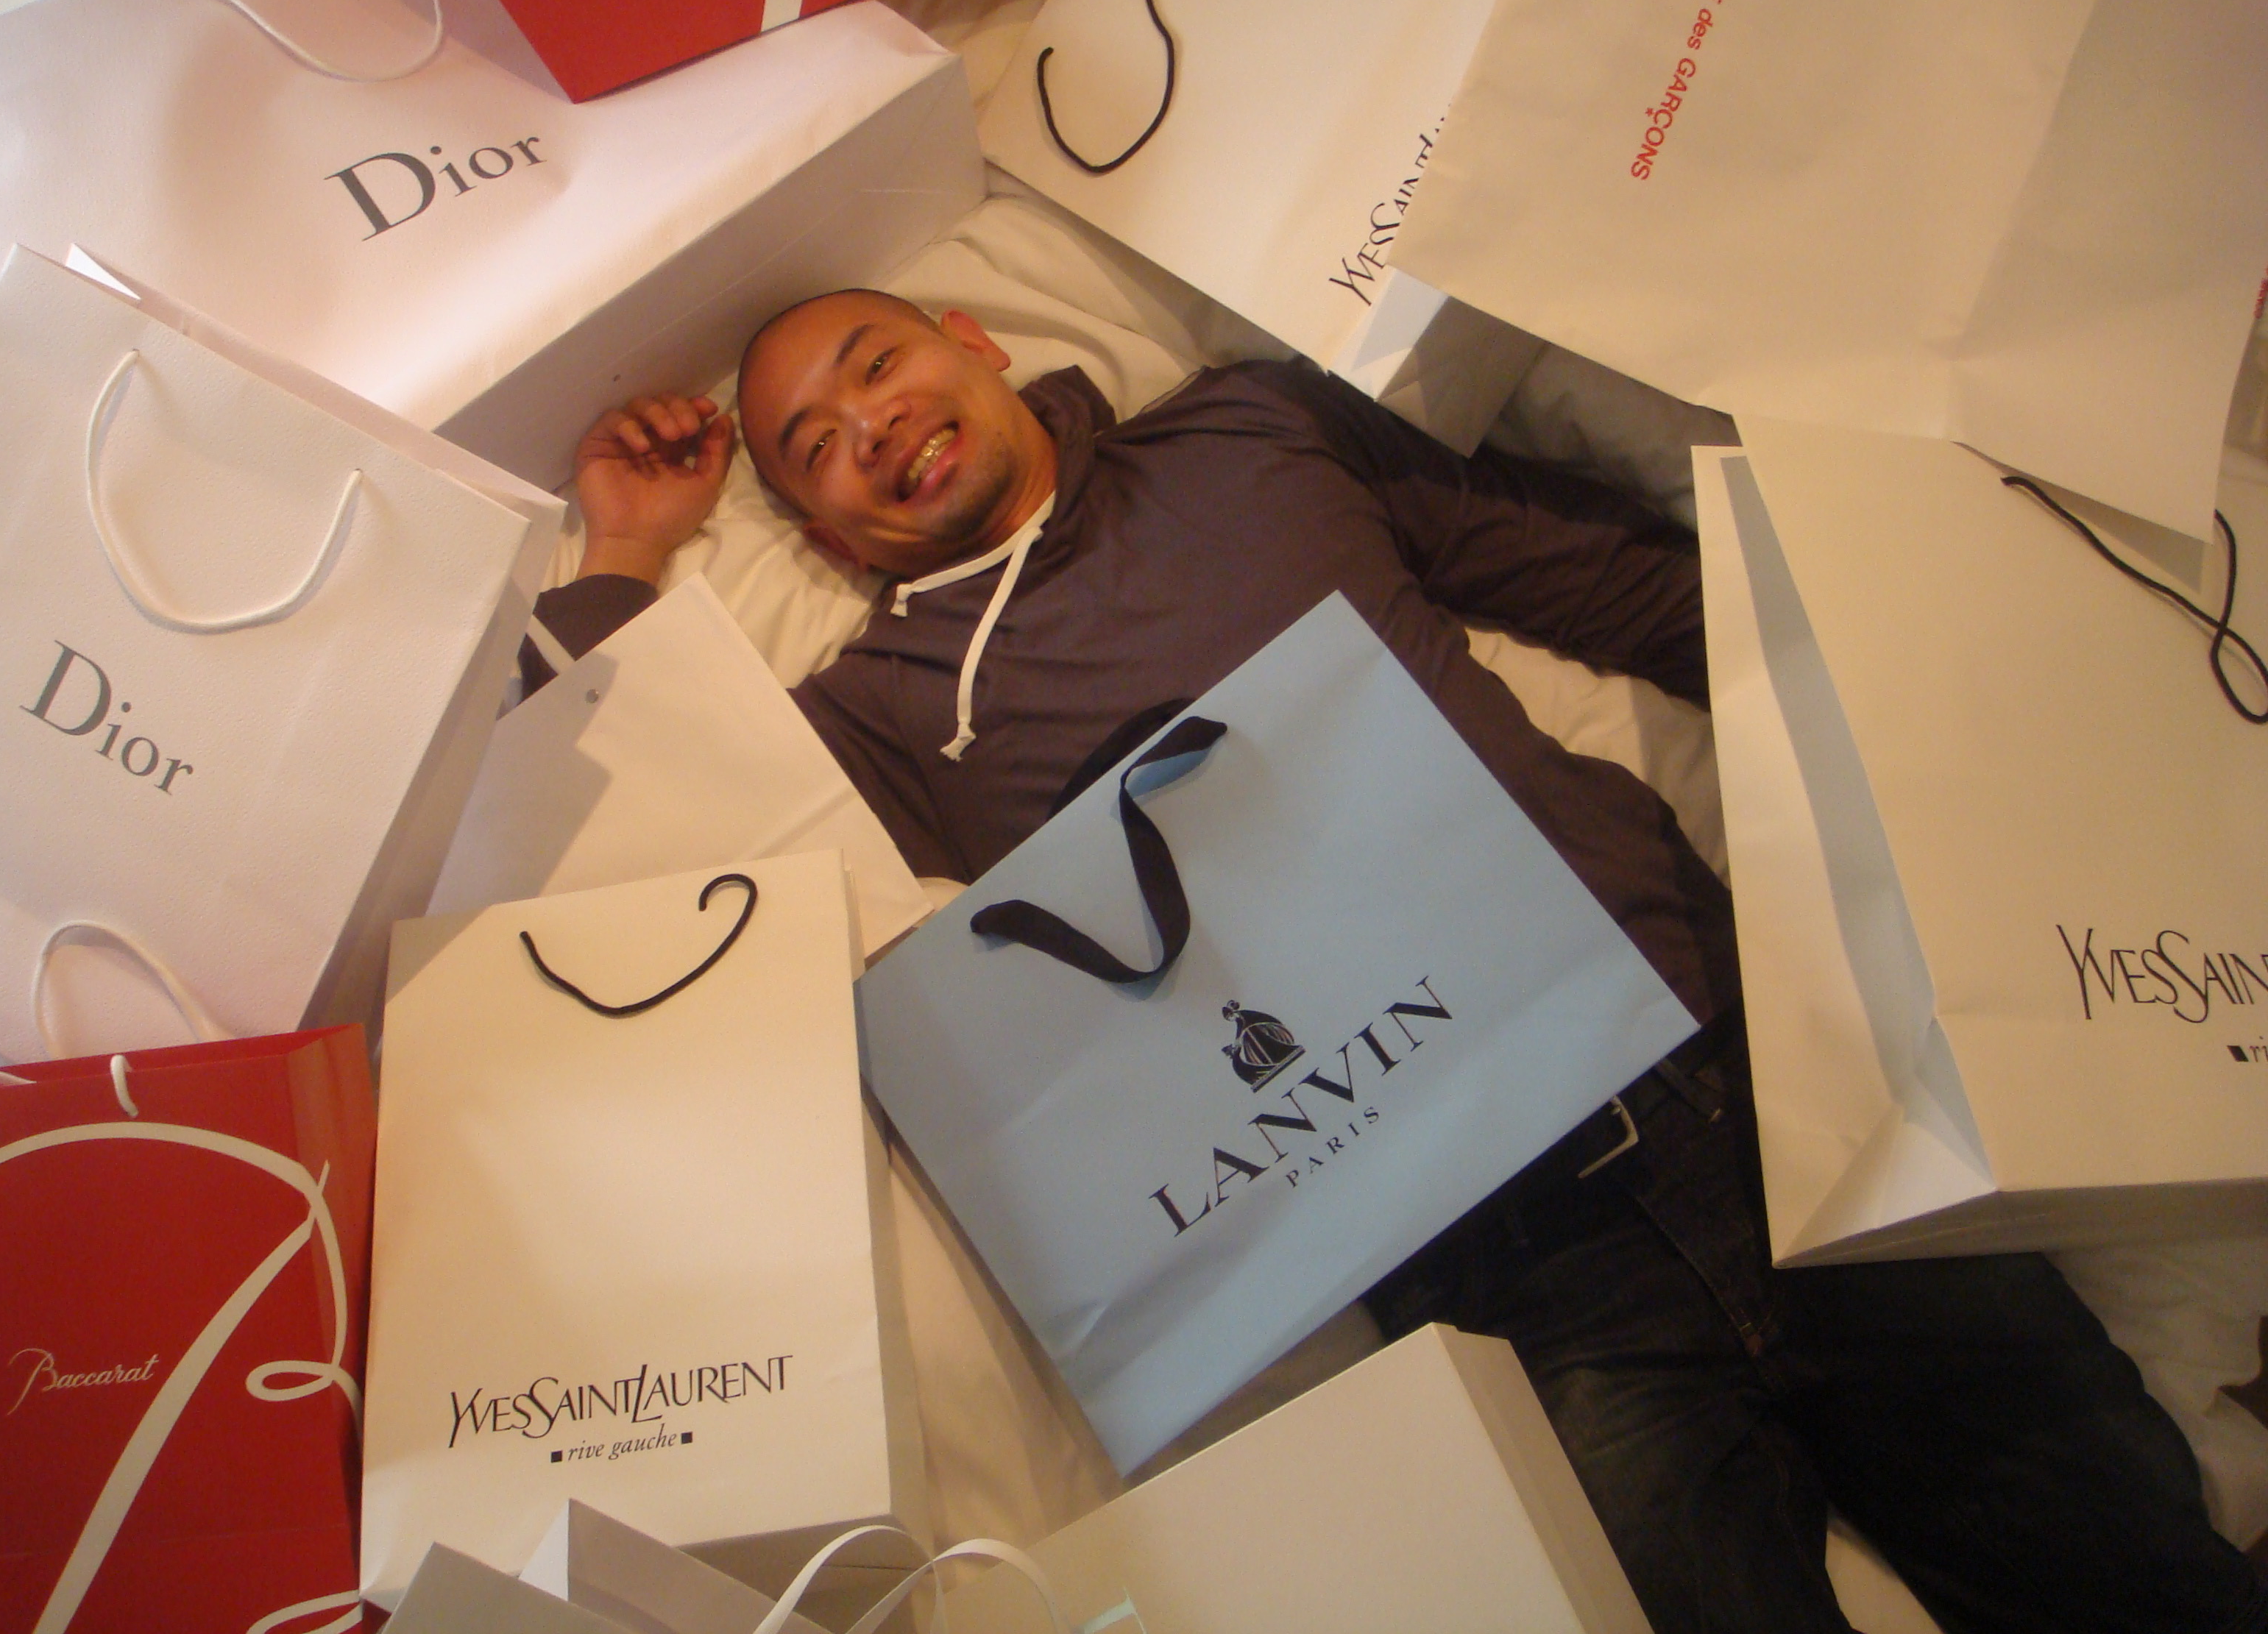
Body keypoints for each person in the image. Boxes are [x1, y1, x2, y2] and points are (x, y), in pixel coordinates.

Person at [525, 290, 2265, 1634]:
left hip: (1746, 1090)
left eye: (878, 364)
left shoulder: (1251, 429)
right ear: (828, 539)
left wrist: (1954, 690)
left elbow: (1622, 585)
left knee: (2141, 1578)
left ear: (973, 340)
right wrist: (625, 552)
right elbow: (651, 845)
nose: (872, 427)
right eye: (816, 449)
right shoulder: (881, 716)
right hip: (1483, 1257)